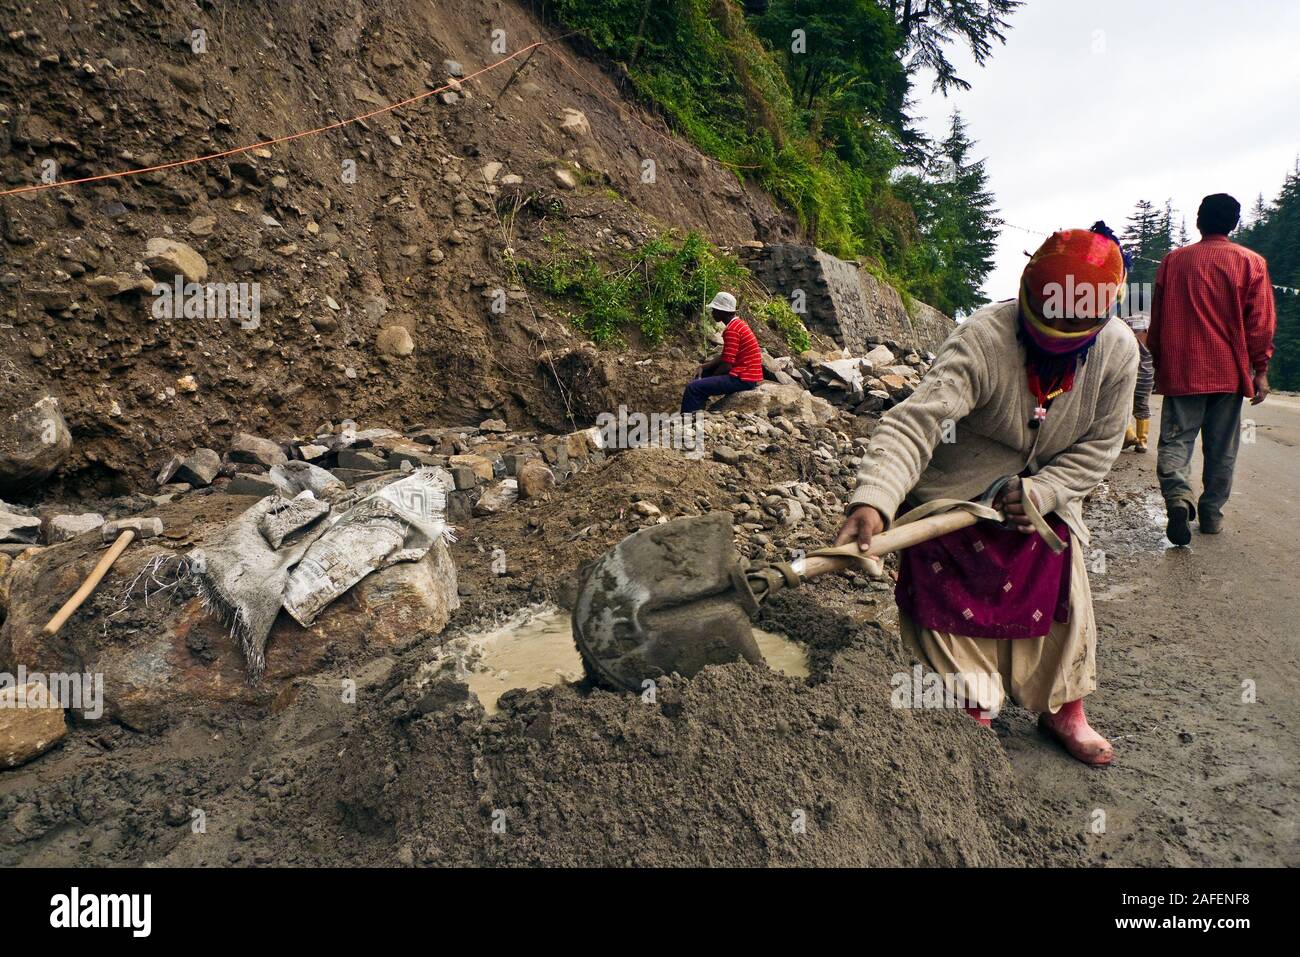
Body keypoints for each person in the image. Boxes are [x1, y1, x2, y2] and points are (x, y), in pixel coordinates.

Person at [835, 224, 1138, 766]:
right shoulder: (983, 336)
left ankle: (1065, 707)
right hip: (954, 494)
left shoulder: (1118, 353)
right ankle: (970, 701)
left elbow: (1100, 447)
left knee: (1060, 564)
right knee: (947, 583)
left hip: (1045, 497)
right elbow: (915, 424)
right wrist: (875, 499)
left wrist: (1045, 491)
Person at [1147, 193, 1277, 544]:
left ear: (1199, 221)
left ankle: (1178, 497)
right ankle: (1211, 515)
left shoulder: (1173, 261)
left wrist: (1159, 359)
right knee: (1222, 448)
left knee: (1176, 440)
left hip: (1182, 370)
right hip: (1228, 372)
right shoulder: (1251, 263)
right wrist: (1260, 369)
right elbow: (1260, 324)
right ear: (1233, 224)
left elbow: (1156, 321)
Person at [680, 292, 763, 413]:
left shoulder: (732, 331)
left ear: (723, 311)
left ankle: (688, 421)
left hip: (743, 379)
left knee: (694, 388)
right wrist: (704, 367)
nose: (713, 313)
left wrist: (710, 382)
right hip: (749, 375)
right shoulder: (738, 324)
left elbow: (727, 365)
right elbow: (726, 356)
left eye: (715, 310)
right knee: (703, 375)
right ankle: (698, 410)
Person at [1121, 313, 1154, 453]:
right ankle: (1142, 441)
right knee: (1142, 406)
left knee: (1122, 404)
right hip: (1147, 374)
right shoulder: (1151, 324)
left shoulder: (1124, 322)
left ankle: (1129, 435)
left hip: (1128, 372)